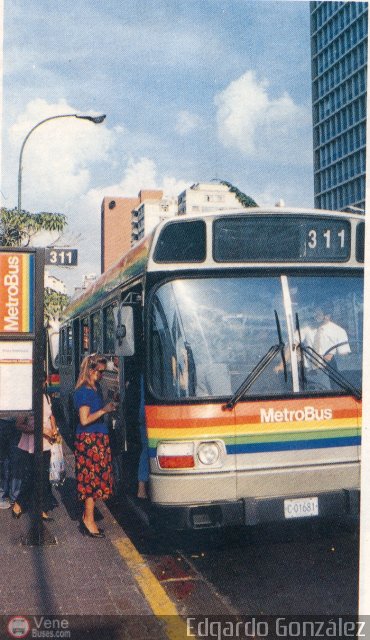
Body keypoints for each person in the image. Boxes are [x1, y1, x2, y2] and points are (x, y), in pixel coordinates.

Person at [73, 354, 117, 538]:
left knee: (96, 480)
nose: (101, 375)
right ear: (90, 371)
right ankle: (89, 520)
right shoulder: (84, 391)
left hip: (97, 439)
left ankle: (87, 516)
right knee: (90, 482)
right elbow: (84, 419)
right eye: (99, 372)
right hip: (89, 441)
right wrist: (104, 410)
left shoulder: (95, 388)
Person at [12, 376, 58, 520]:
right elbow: (19, 425)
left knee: (44, 477)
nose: (42, 384)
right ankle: (19, 503)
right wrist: (41, 430)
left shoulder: (46, 397)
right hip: (32, 443)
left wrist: (54, 430)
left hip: (46, 443)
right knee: (31, 476)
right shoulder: (27, 400)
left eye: (43, 381)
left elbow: (51, 416)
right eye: (38, 381)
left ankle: (41, 508)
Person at [0, 416, 21, 509]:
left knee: (15, 460)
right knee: (8, 460)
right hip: (11, 419)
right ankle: (10, 495)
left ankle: (11, 495)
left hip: (17, 420)